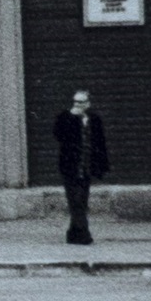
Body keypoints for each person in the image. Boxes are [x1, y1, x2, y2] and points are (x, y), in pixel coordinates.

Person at [54, 90, 110, 245]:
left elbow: (100, 143)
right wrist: (71, 116)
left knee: (82, 201)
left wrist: (101, 166)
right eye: (75, 102)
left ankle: (72, 234)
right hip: (70, 167)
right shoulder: (65, 117)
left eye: (81, 102)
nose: (77, 105)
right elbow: (58, 135)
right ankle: (84, 234)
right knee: (75, 200)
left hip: (86, 168)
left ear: (88, 104)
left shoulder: (94, 119)